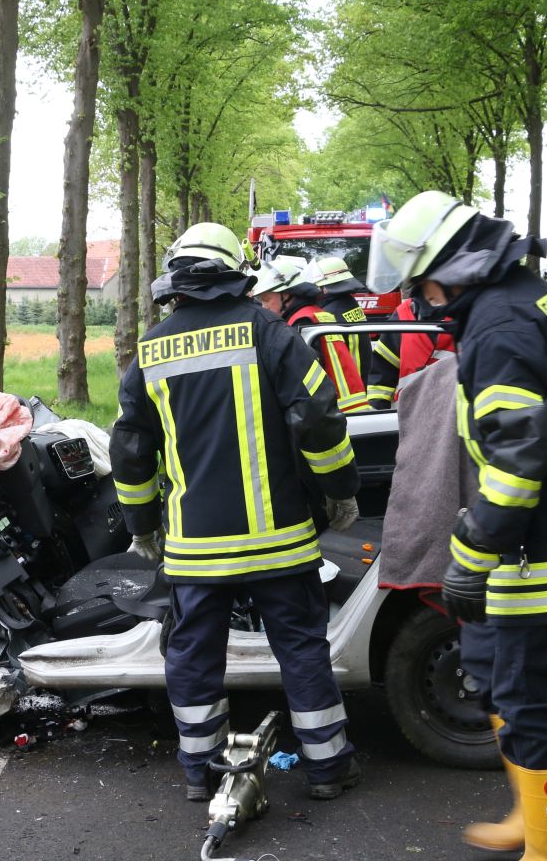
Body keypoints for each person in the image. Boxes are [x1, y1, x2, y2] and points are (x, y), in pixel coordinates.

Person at [369, 192, 547, 860]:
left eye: (421, 285)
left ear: (452, 268)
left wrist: (470, 551)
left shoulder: (499, 329)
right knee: (492, 669)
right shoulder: (534, 294)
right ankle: (531, 808)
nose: (422, 300)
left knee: (531, 700)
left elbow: (519, 461)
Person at [111, 223, 363, 803]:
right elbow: (318, 416)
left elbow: (130, 448)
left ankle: (201, 773)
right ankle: (328, 769)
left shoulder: (151, 349)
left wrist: (142, 526)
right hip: (281, 541)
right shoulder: (268, 330)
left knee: (194, 656)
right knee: (301, 650)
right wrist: (340, 490)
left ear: (177, 276)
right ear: (234, 269)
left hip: (197, 547)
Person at [248, 254, 372, 414]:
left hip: (332, 412)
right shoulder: (314, 313)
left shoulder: (301, 323)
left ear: (285, 295)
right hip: (350, 405)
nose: (263, 306)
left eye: (266, 299)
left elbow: (300, 384)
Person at [367, 292, 456, 407]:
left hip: (455, 414)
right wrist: (379, 412)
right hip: (409, 415)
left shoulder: (470, 314)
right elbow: (382, 372)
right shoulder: (404, 314)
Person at [306, 256, 374, 385]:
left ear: (324, 288)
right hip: (360, 380)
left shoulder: (329, 314)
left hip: (346, 385)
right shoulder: (349, 303)